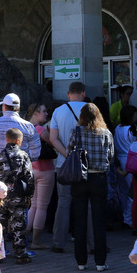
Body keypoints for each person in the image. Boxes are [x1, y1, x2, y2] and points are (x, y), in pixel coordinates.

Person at [67, 104, 115, 271]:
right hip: (98, 177)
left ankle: (81, 262)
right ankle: (100, 262)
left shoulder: (76, 131)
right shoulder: (106, 133)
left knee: (79, 220)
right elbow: (110, 156)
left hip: (80, 178)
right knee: (99, 221)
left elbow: (69, 151)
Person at [48, 82, 88, 253]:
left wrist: (67, 154)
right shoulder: (90, 109)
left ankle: (58, 242)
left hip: (63, 165)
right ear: (83, 93)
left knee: (63, 203)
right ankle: (90, 242)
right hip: (87, 165)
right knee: (87, 204)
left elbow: (53, 138)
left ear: (68, 93)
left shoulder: (58, 111)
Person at [0, 128, 34, 264]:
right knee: (18, 225)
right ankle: (21, 254)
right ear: (19, 140)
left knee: (0, 225)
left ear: (7, 139)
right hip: (18, 195)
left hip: (1, 196)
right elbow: (29, 177)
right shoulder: (23, 155)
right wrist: (29, 195)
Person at [24, 102, 55, 249]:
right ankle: (36, 241)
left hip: (32, 169)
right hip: (45, 169)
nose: (46, 114)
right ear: (35, 113)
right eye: (43, 111)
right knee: (42, 206)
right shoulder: (41, 130)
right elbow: (53, 142)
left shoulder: (24, 127)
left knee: (33, 206)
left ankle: (25, 236)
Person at [0, 93, 41, 163]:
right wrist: (26, 161)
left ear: (4, 106)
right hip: (21, 169)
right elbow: (36, 151)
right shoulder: (28, 126)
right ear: (19, 108)